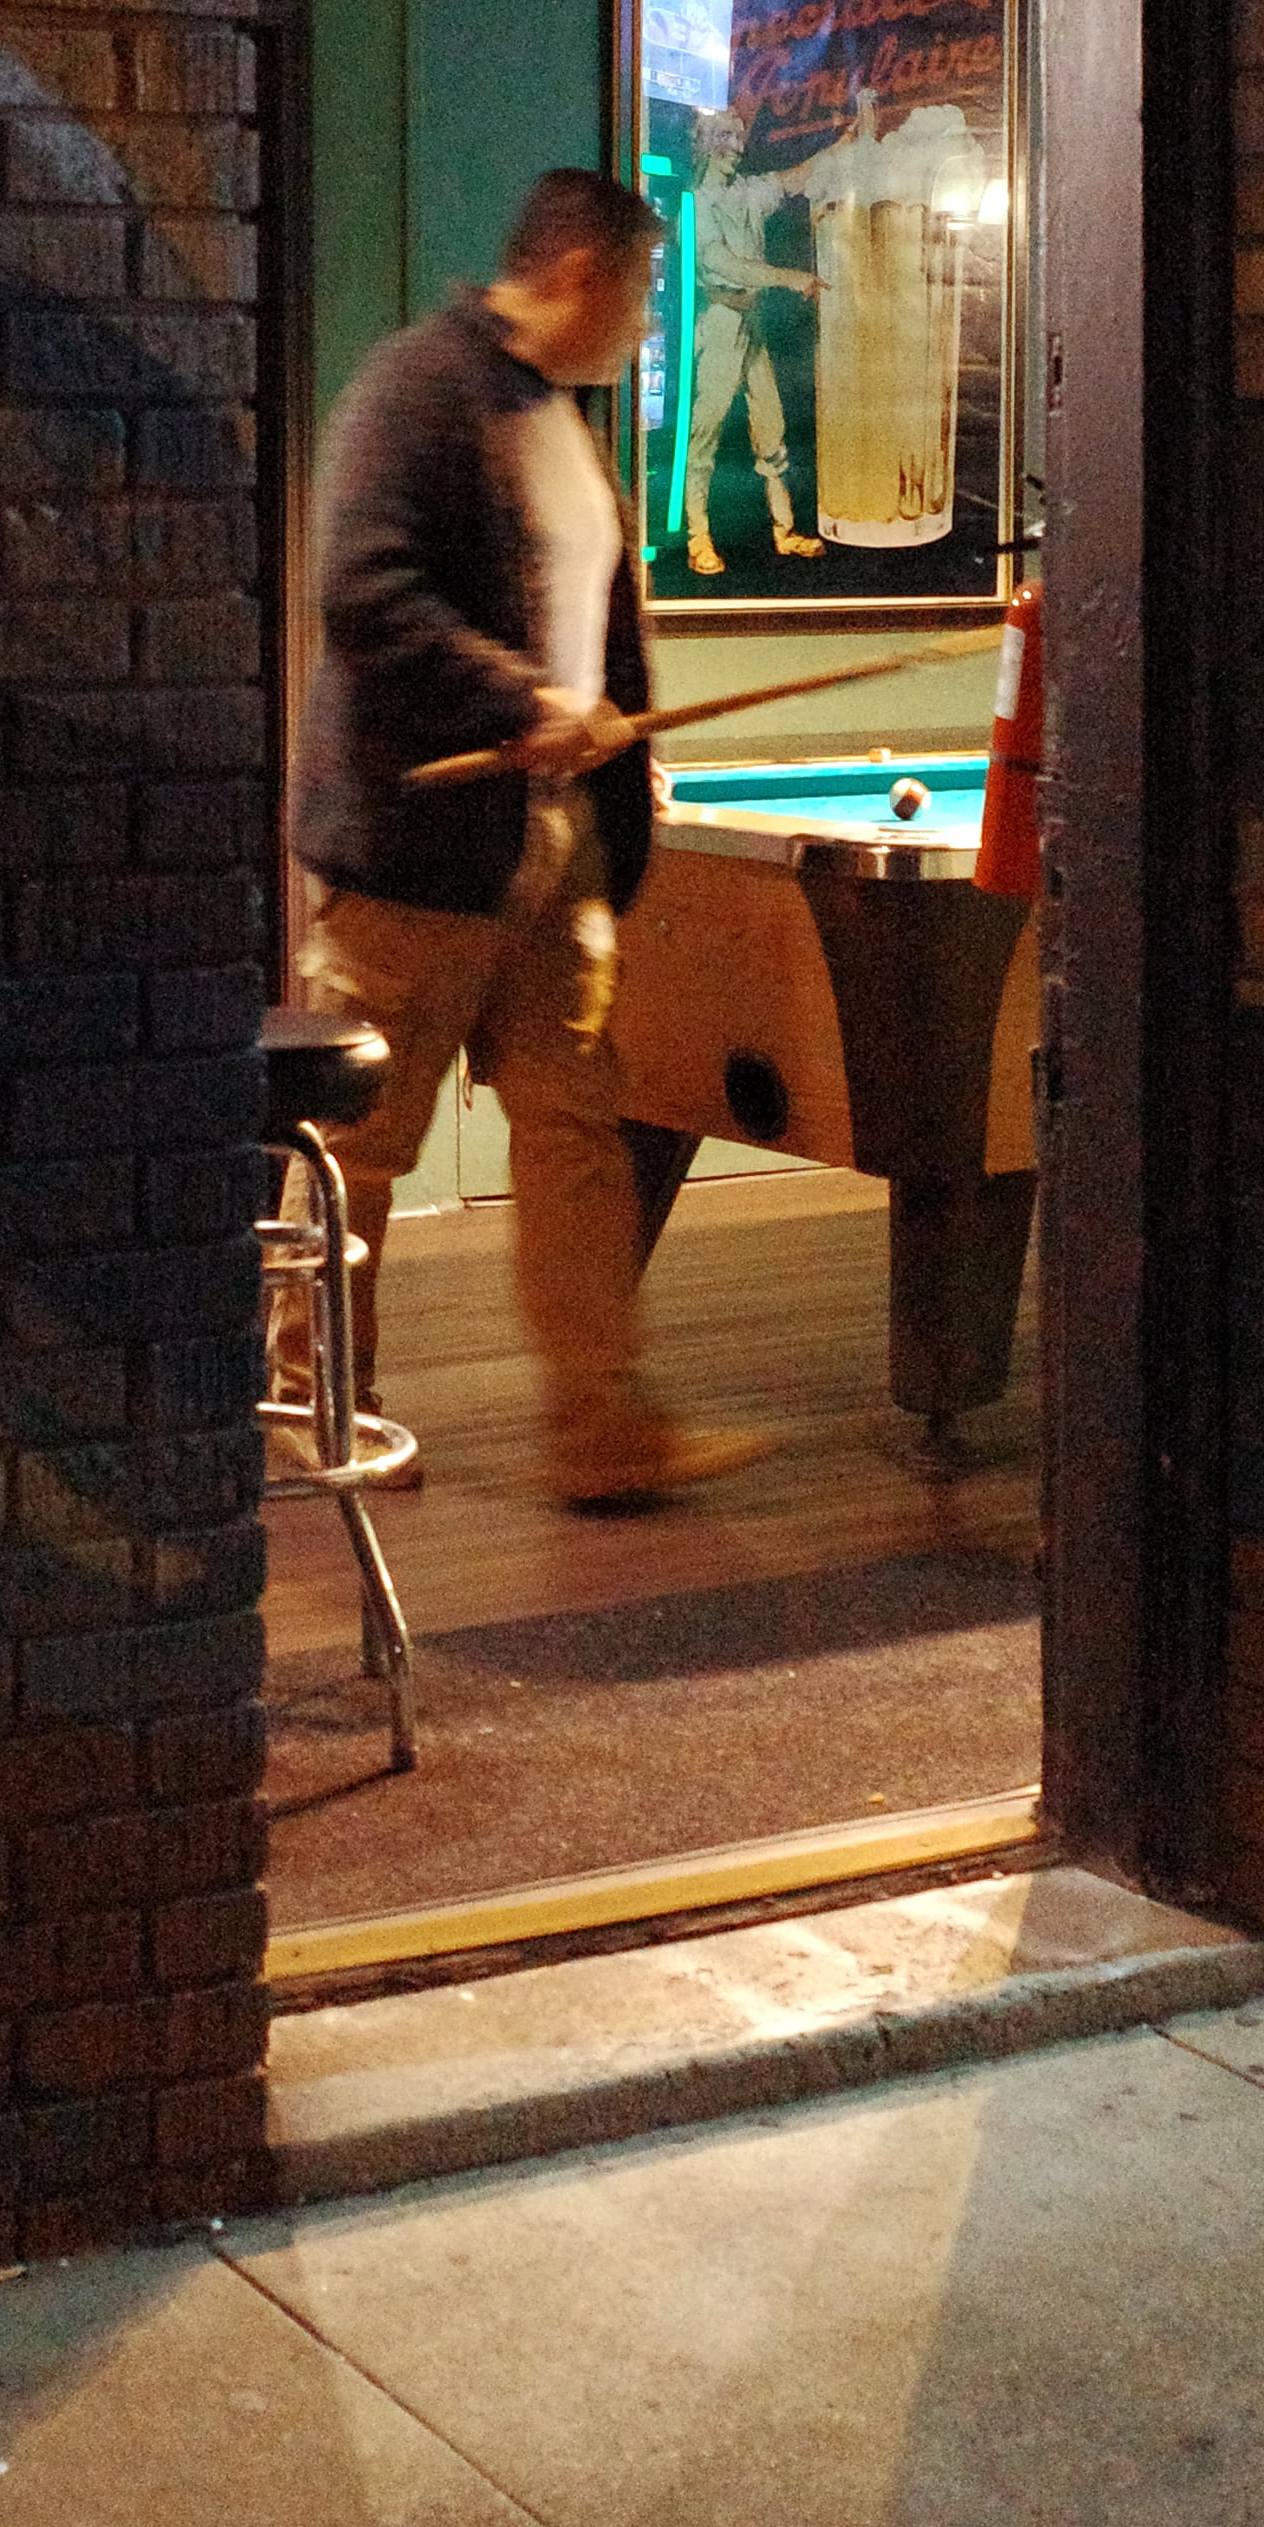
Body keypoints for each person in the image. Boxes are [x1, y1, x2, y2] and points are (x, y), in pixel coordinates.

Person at [289, 169, 775, 1513]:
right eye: (634, 292)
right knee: (361, 1146)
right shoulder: (415, 390)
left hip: (549, 847)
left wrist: (611, 762)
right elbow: (365, 592)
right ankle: (314, 1404)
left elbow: (591, 632)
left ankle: (602, 1431)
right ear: (572, 269)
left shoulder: (560, 418)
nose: (640, 323)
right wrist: (524, 702)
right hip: (416, 846)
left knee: (574, 1130)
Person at [678, 97, 828, 576]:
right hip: (721, 327)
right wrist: (790, 277)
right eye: (724, 136)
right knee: (704, 437)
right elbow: (726, 265)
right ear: (702, 142)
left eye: (739, 137)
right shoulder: (694, 206)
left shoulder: (746, 192)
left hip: (752, 328)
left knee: (772, 431)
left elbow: (793, 178)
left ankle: (784, 532)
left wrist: (845, 145)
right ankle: (698, 538)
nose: (734, 146)